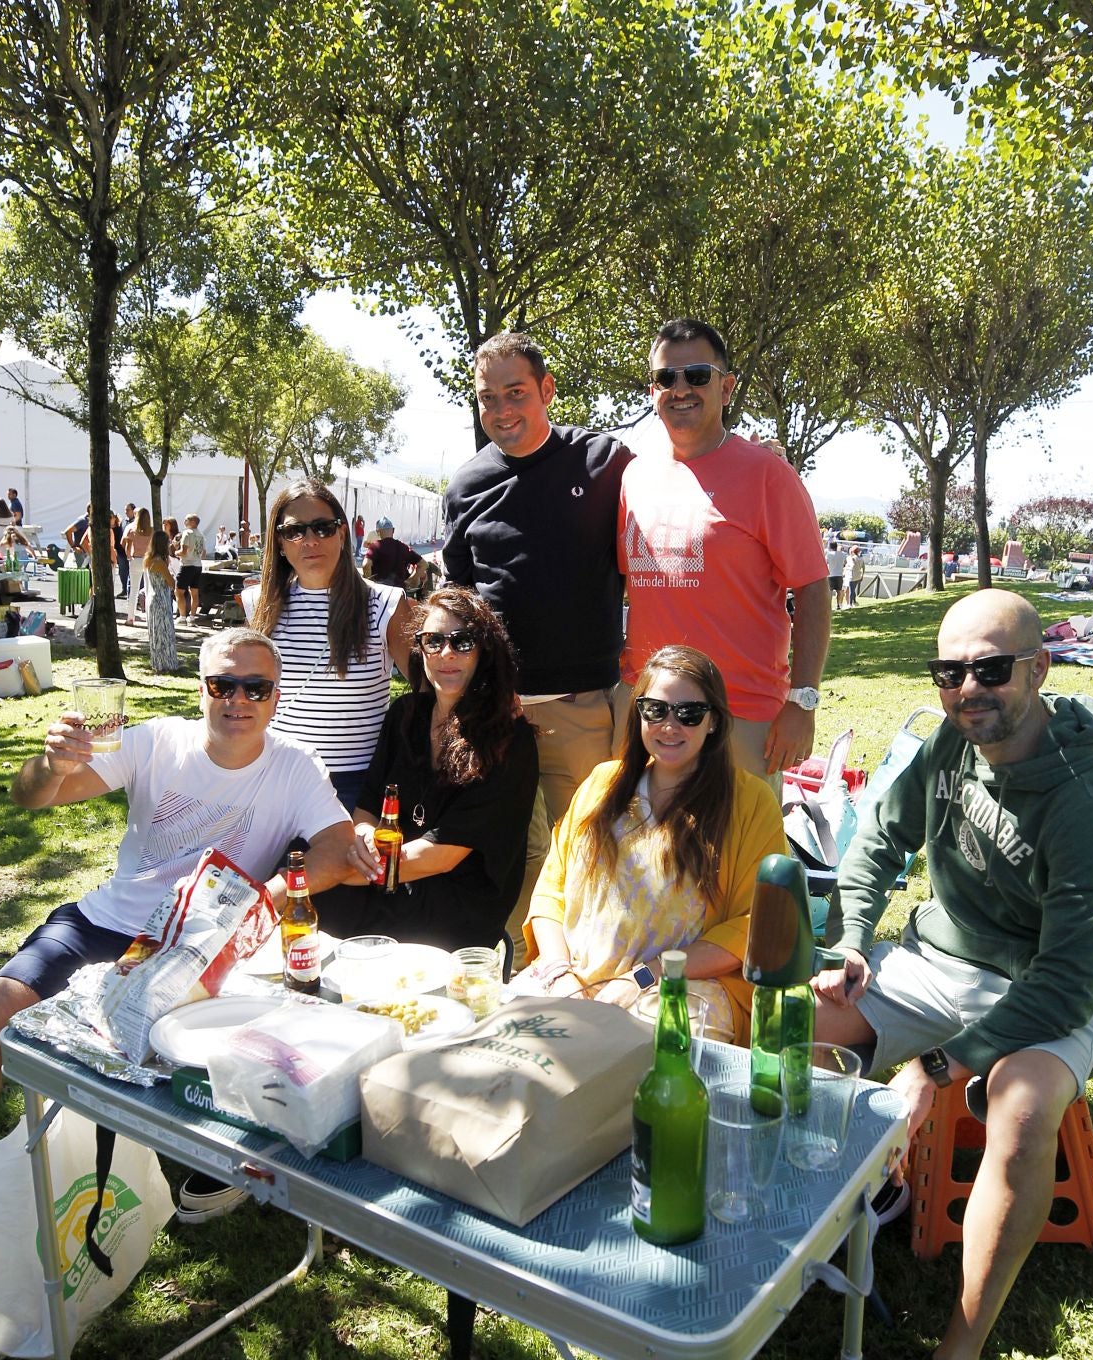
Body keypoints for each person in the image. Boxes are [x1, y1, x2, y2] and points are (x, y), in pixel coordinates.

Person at [811, 590, 1093, 1360]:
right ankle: (867, 1199)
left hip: (1049, 988)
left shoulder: (1091, 798)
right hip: (935, 964)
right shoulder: (948, 746)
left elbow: (1070, 985)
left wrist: (943, 1065)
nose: (968, 689)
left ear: (1038, 669)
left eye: (990, 668)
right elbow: (875, 840)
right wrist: (851, 941)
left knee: (1024, 1103)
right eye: (949, 671)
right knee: (796, 1029)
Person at [0, 628, 355, 1181]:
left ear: (276, 696)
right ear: (199, 690)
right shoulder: (156, 741)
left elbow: (338, 849)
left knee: (184, 1067)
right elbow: (32, 795)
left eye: (256, 688)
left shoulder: (295, 766)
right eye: (222, 684)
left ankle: (205, 1178)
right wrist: (51, 765)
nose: (238, 700)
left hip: (200, 947)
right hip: (105, 923)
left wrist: (264, 897)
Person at [442, 330, 632, 955]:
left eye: (516, 393)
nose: (501, 410)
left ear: (547, 390)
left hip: (580, 707)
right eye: (487, 398)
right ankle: (521, 969)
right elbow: (461, 598)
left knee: (588, 849)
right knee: (512, 855)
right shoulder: (466, 485)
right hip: (495, 713)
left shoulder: (606, 463)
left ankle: (587, 972)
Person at [518, 647, 788, 1045]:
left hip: (681, 986)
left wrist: (645, 977)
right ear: (638, 713)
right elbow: (550, 892)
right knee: (508, 1038)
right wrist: (558, 970)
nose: (669, 726)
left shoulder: (750, 803)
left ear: (713, 721)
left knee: (651, 1050)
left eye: (689, 713)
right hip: (571, 975)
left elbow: (757, 924)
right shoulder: (602, 784)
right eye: (655, 710)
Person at [618, 319, 831, 785]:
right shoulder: (634, 478)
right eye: (665, 378)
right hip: (650, 713)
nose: (680, 389)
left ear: (726, 387)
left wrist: (803, 701)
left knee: (738, 857)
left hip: (741, 716)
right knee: (645, 855)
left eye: (696, 375)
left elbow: (814, 590)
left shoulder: (767, 476)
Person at [321, 589, 539, 951]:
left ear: (484, 651)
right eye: (433, 641)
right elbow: (369, 805)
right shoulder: (405, 714)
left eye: (463, 641)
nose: (447, 653)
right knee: (306, 889)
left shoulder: (508, 738)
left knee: (316, 888)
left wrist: (347, 870)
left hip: (455, 900)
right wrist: (362, 840)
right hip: (391, 879)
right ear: (419, 649)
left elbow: (442, 855)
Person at [251, 478, 414, 811]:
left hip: (354, 787)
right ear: (280, 542)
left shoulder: (385, 603)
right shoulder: (258, 604)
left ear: (342, 533)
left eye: (323, 528)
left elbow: (431, 686)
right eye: (295, 531)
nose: (310, 540)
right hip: (272, 779)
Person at [144, 531, 179, 672]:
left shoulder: (149, 559)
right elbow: (171, 583)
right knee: (164, 632)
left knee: (157, 633)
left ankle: (158, 662)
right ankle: (166, 663)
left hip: (153, 597)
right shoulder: (160, 563)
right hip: (161, 599)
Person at [364, 516, 424, 589]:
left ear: (378, 532)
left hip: (381, 593)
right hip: (399, 593)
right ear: (393, 530)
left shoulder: (375, 546)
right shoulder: (403, 547)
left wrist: (370, 585)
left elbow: (366, 565)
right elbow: (424, 564)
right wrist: (410, 580)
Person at [124, 509, 153, 623]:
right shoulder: (152, 531)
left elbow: (127, 546)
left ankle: (130, 618)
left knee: (134, 590)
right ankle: (149, 618)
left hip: (136, 559)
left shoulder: (133, 530)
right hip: (148, 560)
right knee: (148, 589)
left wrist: (129, 557)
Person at [176, 514, 208, 620]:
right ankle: (192, 617)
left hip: (187, 565)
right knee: (194, 592)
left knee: (179, 591)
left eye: (187, 520)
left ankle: (182, 617)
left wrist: (175, 552)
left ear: (193, 522)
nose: (184, 522)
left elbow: (183, 551)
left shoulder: (187, 533)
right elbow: (203, 554)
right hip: (198, 565)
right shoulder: (201, 535)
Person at [825, 539, 845, 610]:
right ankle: (838, 605)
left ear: (830, 547)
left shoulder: (829, 554)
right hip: (839, 574)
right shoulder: (842, 554)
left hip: (831, 574)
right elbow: (844, 563)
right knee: (839, 591)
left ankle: (829, 605)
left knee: (830, 591)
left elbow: (826, 562)